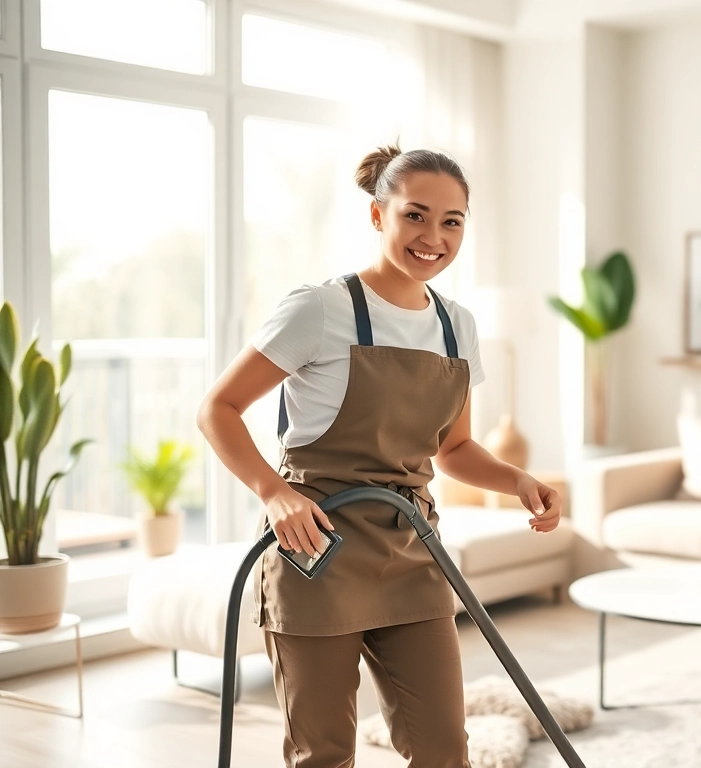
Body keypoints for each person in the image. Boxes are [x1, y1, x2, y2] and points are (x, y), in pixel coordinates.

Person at [197, 144, 561, 767]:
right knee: (325, 754)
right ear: (377, 216)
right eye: (415, 215)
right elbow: (217, 410)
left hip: (410, 550)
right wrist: (274, 492)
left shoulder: (457, 326)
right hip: (316, 551)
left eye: (452, 221)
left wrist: (518, 480)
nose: (433, 236)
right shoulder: (320, 308)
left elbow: (456, 448)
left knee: (444, 749)